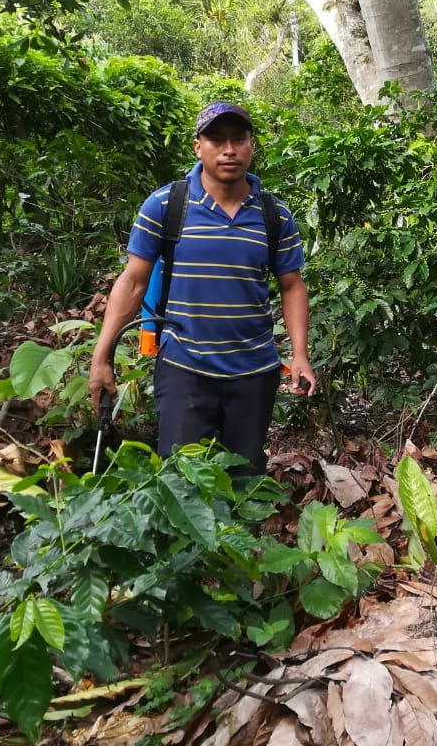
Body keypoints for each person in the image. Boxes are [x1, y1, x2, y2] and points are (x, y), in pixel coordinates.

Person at [89, 101, 316, 473]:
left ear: (252, 145)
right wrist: (102, 357)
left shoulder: (275, 214)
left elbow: (291, 286)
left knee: (244, 479)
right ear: (198, 147)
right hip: (184, 368)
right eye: (216, 139)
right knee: (180, 481)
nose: (229, 149)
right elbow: (132, 282)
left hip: (254, 372)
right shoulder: (166, 205)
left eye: (238, 139)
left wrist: (300, 355)